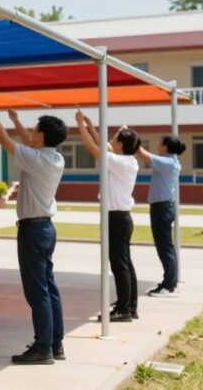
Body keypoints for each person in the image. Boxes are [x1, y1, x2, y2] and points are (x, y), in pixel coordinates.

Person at [0, 100, 68, 365]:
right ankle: (55, 344)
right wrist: (18, 122)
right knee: (49, 288)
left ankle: (43, 348)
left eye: (34, 129)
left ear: (42, 135)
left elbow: (3, 141)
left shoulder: (38, 159)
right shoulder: (53, 157)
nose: (30, 133)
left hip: (33, 230)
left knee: (38, 292)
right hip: (45, 228)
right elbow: (29, 144)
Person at [76, 112, 141, 322]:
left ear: (121, 145)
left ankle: (123, 309)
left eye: (115, 138)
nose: (111, 141)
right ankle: (129, 306)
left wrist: (80, 126)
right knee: (125, 263)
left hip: (116, 218)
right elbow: (104, 146)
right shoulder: (126, 161)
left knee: (119, 264)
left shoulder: (119, 162)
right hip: (121, 217)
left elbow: (93, 148)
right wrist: (91, 126)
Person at [137, 134, 186, 298]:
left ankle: (169, 286)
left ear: (165, 146)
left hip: (162, 209)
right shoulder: (168, 162)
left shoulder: (166, 163)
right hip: (162, 207)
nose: (157, 144)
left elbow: (142, 154)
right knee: (165, 247)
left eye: (160, 142)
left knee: (165, 248)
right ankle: (168, 282)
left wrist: (131, 137)